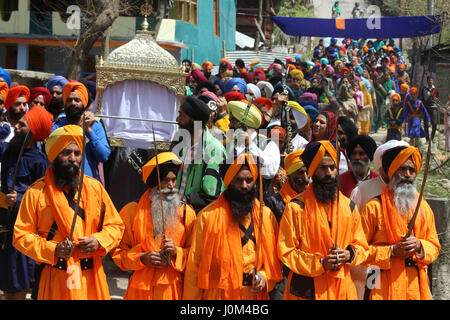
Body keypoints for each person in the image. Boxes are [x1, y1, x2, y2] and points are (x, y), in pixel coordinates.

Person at [13, 125, 125, 300]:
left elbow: (116, 225)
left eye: (77, 153)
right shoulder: (36, 192)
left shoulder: (95, 188)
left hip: (90, 279)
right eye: (66, 152)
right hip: (54, 279)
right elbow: (21, 236)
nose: (73, 158)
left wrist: (98, 240)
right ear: (54, 155)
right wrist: (53, 249)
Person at [277, 140, 369, 300]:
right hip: (306, 290)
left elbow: (362, 247)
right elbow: (286, 252)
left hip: (341, 290)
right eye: (323, 168)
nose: (329, 173)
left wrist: (348, 254)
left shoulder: (349, 206)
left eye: (332, 167)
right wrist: (320, 263)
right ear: (312, 170)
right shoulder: (296, 207)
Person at [183, 153, 282, 299]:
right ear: (229, 182)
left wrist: (264, 277)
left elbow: (275, 260)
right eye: (239, 180)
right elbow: (194, 267)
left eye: (249, 180)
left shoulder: (266, 216)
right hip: (220, 295)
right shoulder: (207, 217)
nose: (244, 186)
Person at [111, 152, 196, 300]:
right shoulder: (131, 212)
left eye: (174, 180)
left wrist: (177, 252)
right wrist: (142, 258)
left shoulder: (187, 213)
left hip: (173, 291)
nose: (171, 186)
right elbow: (118, 254)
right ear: (153, 184)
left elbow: (197, 256)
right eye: (165, 180)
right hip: (139, 291)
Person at [360, 145, 440, 300]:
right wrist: (391, 251)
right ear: (392, 171)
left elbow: (435, 246)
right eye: (402, 169)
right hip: (377, 278)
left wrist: (419, 245)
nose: (407, 175)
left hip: (414, 283)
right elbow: (357, 251)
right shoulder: (373, 207)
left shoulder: (423, 207)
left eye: (412, 170)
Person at [0, 106, 53, 300]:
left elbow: (45, 199)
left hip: (24, 228)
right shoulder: (8, 152)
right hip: (4, 221)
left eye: (22, 125)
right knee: (5, 277)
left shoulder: (40, 162)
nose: (17, 127)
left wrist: (21, 199)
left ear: (33, 132)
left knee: (18, 278)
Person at [171, 95, 226, 213]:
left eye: (182, 115)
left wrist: (184, 201)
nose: (177, 119)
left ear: (194, 120)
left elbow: (211, 195)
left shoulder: (214, 150)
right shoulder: (179, 142)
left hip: (197, 218)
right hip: (175, 214)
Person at [52, 81, 111, 181]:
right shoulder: (57, 125)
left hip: (88, 184)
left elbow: (103, 156)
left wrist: (89, 130)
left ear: (83, 103)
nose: (73, 103)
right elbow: (51, 153)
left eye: (77, 100)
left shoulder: (95, 125)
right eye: (69, 100)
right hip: (61, 183)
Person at [226, 100, 280, 181]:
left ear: (246, 123)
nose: (229, 125)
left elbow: (269, 172)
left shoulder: (268, 144)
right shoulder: (228, 144)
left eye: (233, 121)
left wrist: (250, 145)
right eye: (230, 121)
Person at [421, 76, 439, 143]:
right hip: (426, 108)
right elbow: (422, 98)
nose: (430, 81)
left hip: (434, 108)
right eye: (429, 80)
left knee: (434, 123)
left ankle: (433, 137)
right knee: (426, 124)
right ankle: (427, 139)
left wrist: (436, 100)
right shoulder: (424, 89)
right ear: (427, 81)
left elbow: (437, 97)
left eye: (431, 80)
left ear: (433, 81)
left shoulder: (436, 89)